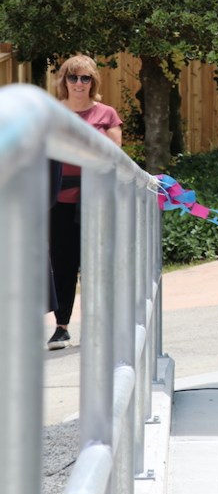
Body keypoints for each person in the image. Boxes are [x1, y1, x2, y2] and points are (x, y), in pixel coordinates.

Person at [48, 55, 123, 349]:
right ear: (64, 81)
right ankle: (61, 326)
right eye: (73, 78)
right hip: (59, 199)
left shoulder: (106, 114)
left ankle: (96, 326)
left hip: (96, 198)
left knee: (96, 263)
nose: (79, 84)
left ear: (93, 82)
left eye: (85, 78)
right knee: (62, 263)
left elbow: (115, 154)